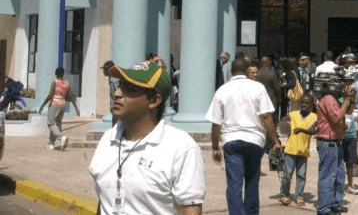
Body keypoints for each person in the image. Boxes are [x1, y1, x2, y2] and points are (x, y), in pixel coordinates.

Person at [89, 60, 205, 214]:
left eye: (130, 89)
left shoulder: (181, 148)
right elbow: (105, 201)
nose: (116, 94)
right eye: (120, 86)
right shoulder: (107, 140)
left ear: (154, 100)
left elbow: (190, 209)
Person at [206, 57, 282, 215]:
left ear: (231, 71)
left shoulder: (222, 90)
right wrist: (275, 141)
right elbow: (266, 116)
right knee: (252, 182)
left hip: (231, 141)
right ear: (247, 71)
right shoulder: (258, 88)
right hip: (254, 140)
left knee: (234, 184)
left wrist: (215, 147)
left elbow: (216, 123)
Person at [316, 83, 354, 215]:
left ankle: (335, 203)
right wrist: (347, 99)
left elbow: (348, 112)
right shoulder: (328, 98)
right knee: (327, 176)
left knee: (339, 175)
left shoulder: (335, 100)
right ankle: (324, 208)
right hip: (328, 143)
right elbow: (337, 118)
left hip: (336, 143)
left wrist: (351, 100)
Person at [280, 94, 317, 207]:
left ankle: (299, 196)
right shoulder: (292, 114)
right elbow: (282, 122)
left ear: (311, 105)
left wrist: (301, 130)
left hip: (303, 152)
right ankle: (284, 194)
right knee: (287, 174)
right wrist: (284, 125)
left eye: (307, 103)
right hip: (290, 150)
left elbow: (312, 131)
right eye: (303, 103)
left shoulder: (314, 117)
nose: (304, 105)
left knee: (301, 175)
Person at [38, 67, 80, 150]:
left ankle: (62, 138)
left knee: (50, 123)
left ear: (56, 74)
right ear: (63, 74)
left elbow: (50, 95)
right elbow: (71, 96)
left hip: (54, 104)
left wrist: (42, 105)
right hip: (63, 104)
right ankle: (51, 143)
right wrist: (76, 108)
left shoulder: (55, 82)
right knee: (57, 124)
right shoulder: (67, 83)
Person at [342, 94, 358, 196]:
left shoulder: (355, 105)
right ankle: (338, 185)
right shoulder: (341, 101)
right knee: (339, 162)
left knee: (350, 162)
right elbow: (347, 112)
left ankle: (350, 184)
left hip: (352, 135)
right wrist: (350, 101)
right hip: (342, 136)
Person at [101, 60, 119, 125]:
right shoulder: (111, 79)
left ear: (108, 70)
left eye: (104, 69)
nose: (103, 71)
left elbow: (119, 94)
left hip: (117, 109)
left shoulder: (114, 80)